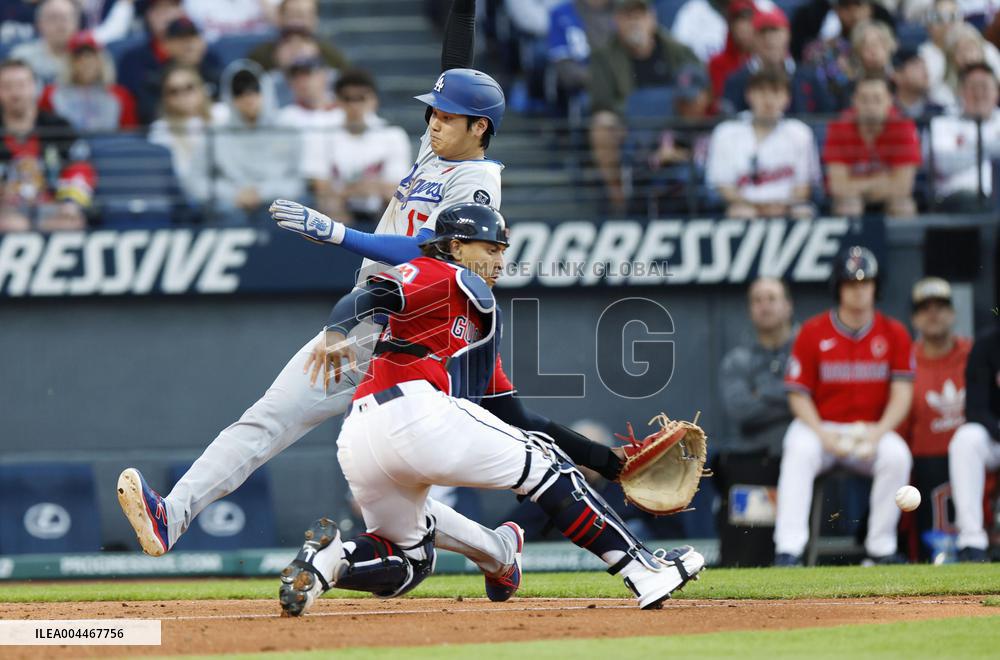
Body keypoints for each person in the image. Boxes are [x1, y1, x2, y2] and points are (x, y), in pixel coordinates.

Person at [273, 202, 706, 614]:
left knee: (408, 562)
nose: (499, 259)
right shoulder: (441, 272)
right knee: (546, 466)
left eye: (502, 250)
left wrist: (608, 463)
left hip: (362, 439)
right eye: (490, 247)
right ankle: (644, 570)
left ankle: (332, 561)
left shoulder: (476, 316)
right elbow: (376, 293)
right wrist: (336, 331)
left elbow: (514, 417)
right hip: (413, 411)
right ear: (455, 246)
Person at [775, 246, 915, 565]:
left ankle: (880, 548)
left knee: (896, 455)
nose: (859, 290)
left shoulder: (894, 332)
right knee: (797, 448)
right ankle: (789, 549)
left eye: (865, 283)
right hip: (822, 427)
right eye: (851, 283)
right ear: (838, 287)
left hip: (870, 429)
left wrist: (877, 434)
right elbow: (798, 395)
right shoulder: (813, 331)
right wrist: (824, 437)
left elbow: (902, 394)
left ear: (876, 286)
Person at [588, 0, 700, 211]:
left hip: (676, 122)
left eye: (639, 15)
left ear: (652, 19)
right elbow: (601, 101)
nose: (634, 22)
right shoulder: (603, 57)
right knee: (602, 124)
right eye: (627, 16)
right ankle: (620, 204)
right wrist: (640, 113)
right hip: (631, 126)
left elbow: (699, 86)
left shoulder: (678, 51)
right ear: (616, 21)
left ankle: (701, 195)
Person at [715, 277, 795, 566]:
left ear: (788, 306)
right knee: (747, 551)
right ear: (750, 309)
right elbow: (741, 410)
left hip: (801, 462)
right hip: (752, 462)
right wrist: (792, 395)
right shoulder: (737, 360)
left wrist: (763, 393)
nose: (765, 306)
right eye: (757, 300)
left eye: (772, 298)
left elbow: (819, 400)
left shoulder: (807, 349)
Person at [899, 277, 971, 560]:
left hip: (972, 466)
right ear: (914, 318)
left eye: (940, 306)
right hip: (924, 465)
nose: (933, 313)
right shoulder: (906, 359)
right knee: (927, 552)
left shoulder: (972, 353)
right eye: (924, 308)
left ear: (953, 313)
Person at [706, 67, 819, 219]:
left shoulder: (800, 133)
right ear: (749, 95)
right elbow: (722, 185)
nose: (769, 100)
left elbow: (804, 186)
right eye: (761, 92)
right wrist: (755, 206)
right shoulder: (726, 132)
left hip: (788, 207)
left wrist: (783, 206)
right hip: (744, 207)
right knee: (741, 213)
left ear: (787, 98)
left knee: (802, 212)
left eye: (776, 92)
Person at [302, 68, 411, 225]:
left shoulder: (393, 134)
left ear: (374, 100)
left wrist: (349, 190)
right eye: (347, 98)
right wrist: (357, 190)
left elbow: (396, 188)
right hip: (337, 209)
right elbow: (319, 185)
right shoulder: (320, 131)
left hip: (378, 208)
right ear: (337, 101)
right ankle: (340, 244)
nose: (354, 105)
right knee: (329, 202)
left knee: (396, 204)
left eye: (361, 98)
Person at [0, 58, 96, 232]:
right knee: (9, 224)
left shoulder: (58, 127)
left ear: (35, 87)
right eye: (7, 86)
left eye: (21, 85)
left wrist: (70, 203)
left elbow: (80, 167)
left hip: (53, 208)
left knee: (71, 222)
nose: (15, 93)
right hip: (5, 212)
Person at [212, 62, 304, 224]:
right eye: (239, 92)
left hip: (280, 204)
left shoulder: (288, 131)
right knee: (226, 211)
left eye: (254, 90)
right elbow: (198, 180)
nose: (248, 99)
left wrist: (262, 193)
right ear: (229, 97)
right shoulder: (216, 135)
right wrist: (233, 194)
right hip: (233, 206)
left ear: (266, 90)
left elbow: (300, 180)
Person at [823, 75, 921, 217]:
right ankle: (855, 240)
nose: (870, 106)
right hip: (851, 199)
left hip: (888, 199)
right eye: (864, 99)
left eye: (877, 99)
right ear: (854, 101)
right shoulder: (839, 126)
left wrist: (856, 185)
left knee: (903, 207)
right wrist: (882, 181)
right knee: (849, 206)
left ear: (889, 101)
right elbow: (838, 187)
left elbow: (903, 188)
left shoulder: (904, 126)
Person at [948, 322, 1000, 562]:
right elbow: (976, 409)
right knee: (965, 439)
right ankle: (972, 543)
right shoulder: (988, 343)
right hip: (994, 435)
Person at [147, 64, 222, 209]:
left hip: (228, 192)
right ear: (166, 98)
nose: (182, 95)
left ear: (201, 88)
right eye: (174, 91)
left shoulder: (222, 115)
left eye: (189, 87)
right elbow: (177, 176)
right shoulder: (160, 129)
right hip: (188, 200)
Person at [928, 63, 1000, 210]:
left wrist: (969, 149)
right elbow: (943, 163)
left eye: (984, 87)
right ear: (960, 92)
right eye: (973, 87)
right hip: (956, 199)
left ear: (996, 92)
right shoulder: (943, 122)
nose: (978, 93)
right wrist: (990, 148)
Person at [38, 31, 139, 131]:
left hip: (109, 146)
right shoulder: (51, 95)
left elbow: (129, 137)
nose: (85, 62)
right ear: (69, 63)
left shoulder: (120, 96)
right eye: (78, 58)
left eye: (90, 56)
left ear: (101, 61)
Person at [247, 0, 348, 72]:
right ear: (280, 18)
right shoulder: (261, 55)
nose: (298, 23)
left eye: (303, 16)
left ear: (315, 20)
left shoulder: (328, 53)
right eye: (292, 15)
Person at [545, 0, 615, 98]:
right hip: (586, 89)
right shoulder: (562, 13)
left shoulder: (625, 10)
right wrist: (599, 78)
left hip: (625, 85)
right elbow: (564, 68)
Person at [9, 0, 79, 85]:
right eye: (53, 18)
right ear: (39, 24)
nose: (60, 24)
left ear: (77, 23)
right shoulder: (22, 58)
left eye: (66, 18)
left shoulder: (88, 58)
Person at [707, 0, 756, 99]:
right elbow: (717, 100)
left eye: (749, 21)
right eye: (739, 22)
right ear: (731, 27)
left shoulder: (763, 60)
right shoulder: (717, 63)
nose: (744, 28)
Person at [182, 0, 278, 41]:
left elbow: (281, 26)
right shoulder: (195, 2)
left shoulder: (264, 3)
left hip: (261, 55)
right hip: (215, 60)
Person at [892, 46, 944, 121]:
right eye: (916, 65)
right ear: (897, 76)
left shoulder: (939, 112)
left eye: (924, 65)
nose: (925, 70)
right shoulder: (885, 112)